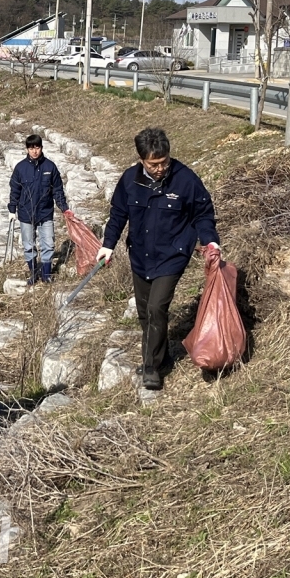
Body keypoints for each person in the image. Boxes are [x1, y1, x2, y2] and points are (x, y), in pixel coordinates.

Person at [96, 127, 220, 391]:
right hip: (140, 256)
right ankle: (160, 355)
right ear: (142, 160)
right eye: (154, 164)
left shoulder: (186, 180)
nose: (160, 168)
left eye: (164, 162)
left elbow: (203, 214)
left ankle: (151, 367)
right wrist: (108, 245)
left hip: (172, 256)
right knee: (145, 312)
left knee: (156, 308)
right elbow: (118, 214)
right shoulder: (130, 180)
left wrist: (210, 241)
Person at [8, 134, 71, 285]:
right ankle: (34, 273)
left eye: (37, 147)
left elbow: (57, 190)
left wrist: (64, 208)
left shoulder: (50, 167)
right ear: (27, 149)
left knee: (48, 244)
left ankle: (47, 274)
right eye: (31, 148)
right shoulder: (20, 168)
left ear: (41, 148)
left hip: (45, 213)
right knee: (29, 245)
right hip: (25, 213)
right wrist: (12, 209)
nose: (34, 151)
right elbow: (15, 190)